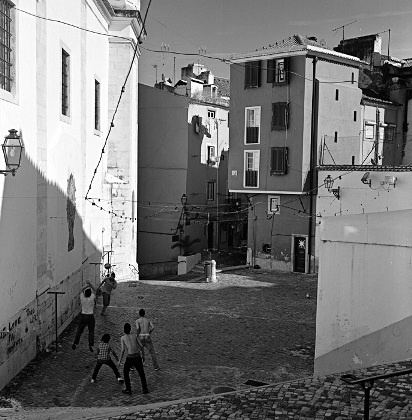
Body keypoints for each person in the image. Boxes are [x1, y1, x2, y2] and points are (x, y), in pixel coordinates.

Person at [118, 322, 148, 395]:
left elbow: (123, 350)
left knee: (125, 372)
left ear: (124, 330)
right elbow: (141, 346)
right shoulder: (134, 335)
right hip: (137, 356)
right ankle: (145, 389)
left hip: (130, 357)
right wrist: (143, 356)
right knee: (141, 373)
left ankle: (128, 389)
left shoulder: (123, 338)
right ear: (130, 329)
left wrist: (120, 360)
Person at [72, 280, 96, 352]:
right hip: (90, 316)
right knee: (91, 331)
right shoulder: (92, 298)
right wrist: (90, 283)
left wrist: (86, 286)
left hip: (83, 315)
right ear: (90, 294)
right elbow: (95, 290)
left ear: (85, 293)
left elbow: (81, 290)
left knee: (79, 330)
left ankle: (75, 343)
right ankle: (91, 345)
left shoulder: (82, 297)